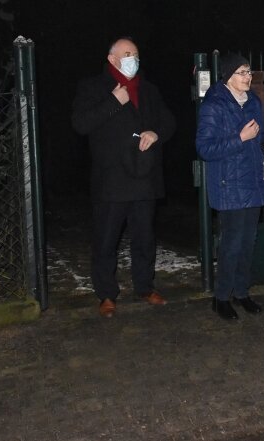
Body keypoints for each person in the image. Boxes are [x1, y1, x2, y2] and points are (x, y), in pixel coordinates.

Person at [72, 37, 176, 318]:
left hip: (144, 177)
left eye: (136, 54)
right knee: (106, 240)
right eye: (127, 53)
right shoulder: (93, 87)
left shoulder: (149, 89)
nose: (134, 58)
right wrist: (113, 102)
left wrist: (156, 133)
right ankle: (106, 294)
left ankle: (145, 287)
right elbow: (81, 124)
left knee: (144, 237)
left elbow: (169, 122)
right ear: (112, 59)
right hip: (112, 180)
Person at [195, 53, 264, 321]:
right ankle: (221, 298)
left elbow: (260, 134)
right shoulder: (214, 105)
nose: (248, 77)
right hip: (229, 185)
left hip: (253, 180)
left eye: (249, 72)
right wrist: (240, 138)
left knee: (248, 242)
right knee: (231, 244)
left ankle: (242, 292)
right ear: (228, 76)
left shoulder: (252, 101)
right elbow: (205, 148)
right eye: (242, 72)